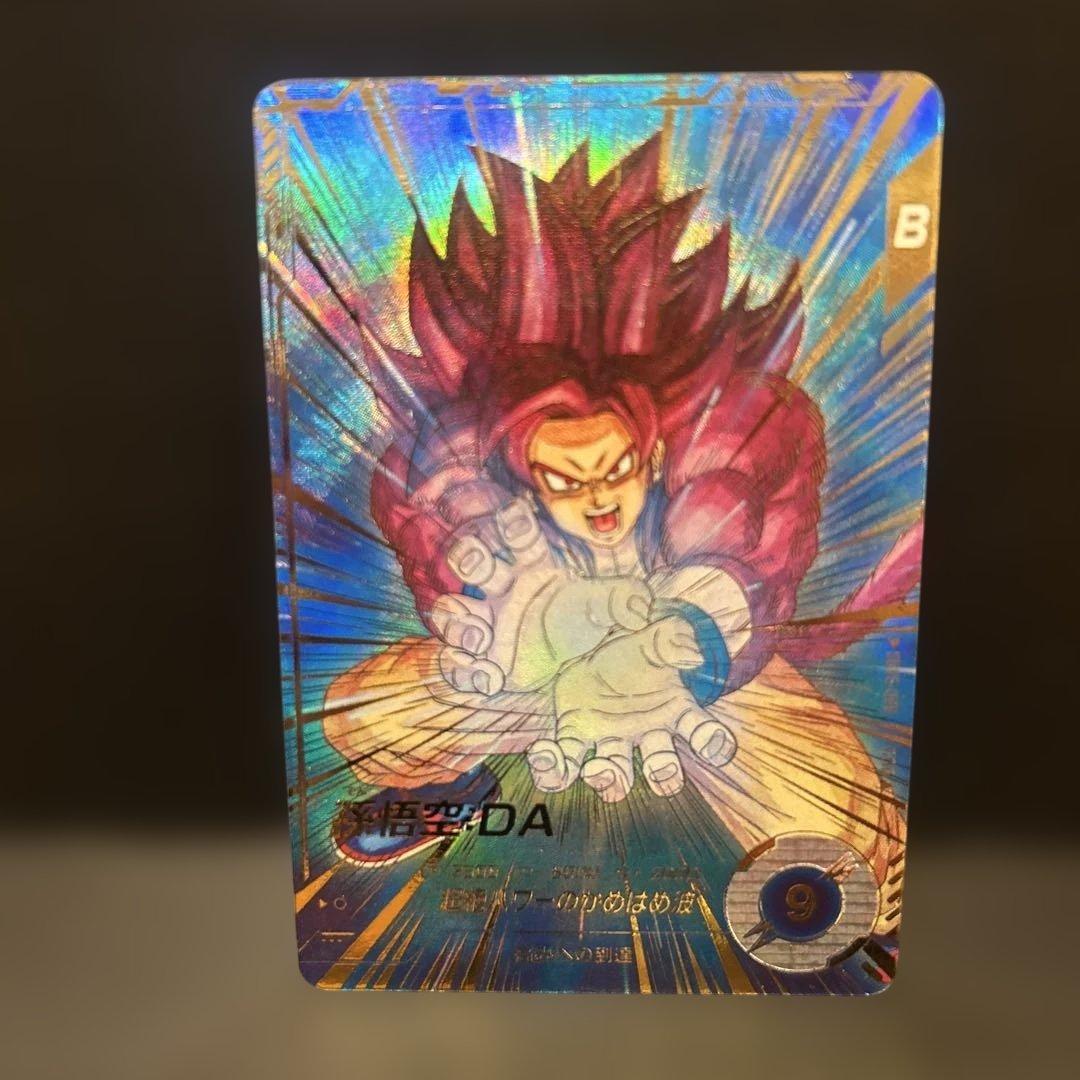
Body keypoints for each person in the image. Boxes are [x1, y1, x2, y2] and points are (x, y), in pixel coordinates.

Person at [324, 135, 917, 928]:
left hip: (698, 679)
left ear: (653, 449)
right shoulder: (472, 466)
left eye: (616, 469)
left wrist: (694, 627)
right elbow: (439, 499)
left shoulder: (717, 437)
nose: (599, 498)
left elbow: (741, 496)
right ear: (523, 470)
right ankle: (452, 789)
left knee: (847, 846)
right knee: (363, 718)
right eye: (567, 480)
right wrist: (496, 614)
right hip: (537, 675)